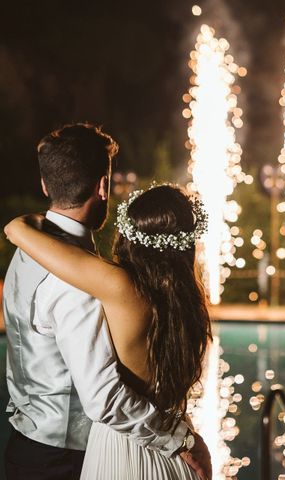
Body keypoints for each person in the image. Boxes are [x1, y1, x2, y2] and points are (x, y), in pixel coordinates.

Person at [2, 124, 211, 480]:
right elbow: (103, 397)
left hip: (26, 443)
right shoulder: (82, 279)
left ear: (44, 185)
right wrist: (180, 438)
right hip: (66, 459)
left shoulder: (26, 254)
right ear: (102, 186)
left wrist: (17, 227)